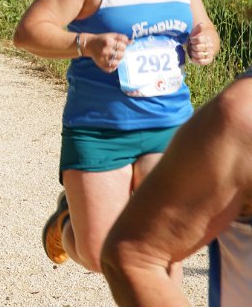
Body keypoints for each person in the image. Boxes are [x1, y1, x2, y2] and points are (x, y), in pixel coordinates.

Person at [12, 0, 220, 275]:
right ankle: (66, 221)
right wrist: (85, 44)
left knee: (162, 248)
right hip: (100, 129)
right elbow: (28, 32)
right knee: (100, 256)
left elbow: (204, 26)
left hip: (170, 127)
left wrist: (206, 42)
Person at [101, 67, 252, 306]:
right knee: (94, 246)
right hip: (108, 123)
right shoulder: (242, 114)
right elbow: (135, 256)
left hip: (166, 121)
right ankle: (69, 219)